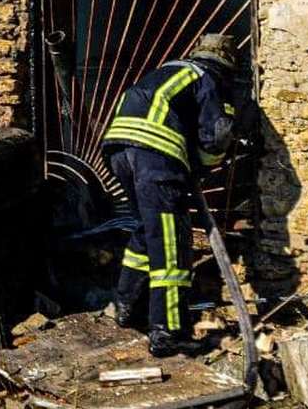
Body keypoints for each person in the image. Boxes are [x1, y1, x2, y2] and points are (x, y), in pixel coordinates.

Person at [100, 32, 242, 358]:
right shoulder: (208, 78)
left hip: (119, 149)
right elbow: (216, 135)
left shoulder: (171, 70)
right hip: (155, 154)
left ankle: (126, 307)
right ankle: (167, 332)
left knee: (146, 231)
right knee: (172, 243)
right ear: (227, 63)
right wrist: (207, 167)